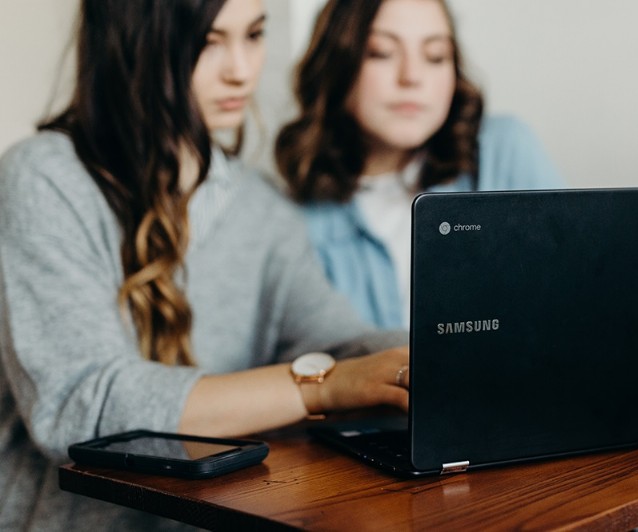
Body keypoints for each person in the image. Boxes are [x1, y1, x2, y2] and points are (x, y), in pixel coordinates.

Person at [0, 0, 410, 529]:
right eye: (210, 42)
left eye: (254, 34)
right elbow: (82, 404)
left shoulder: (263, 208)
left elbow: (337, 342)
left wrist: (432, 357)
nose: (241, 69)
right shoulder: (43, 179)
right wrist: (323, 387)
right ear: (135, 46)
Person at [275, 0, 564, 329]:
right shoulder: (292, 218)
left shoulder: (504, 150)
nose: (412, 77)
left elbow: (574, 297)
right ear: (335, 64)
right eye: (381, 52)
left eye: (435, 56)